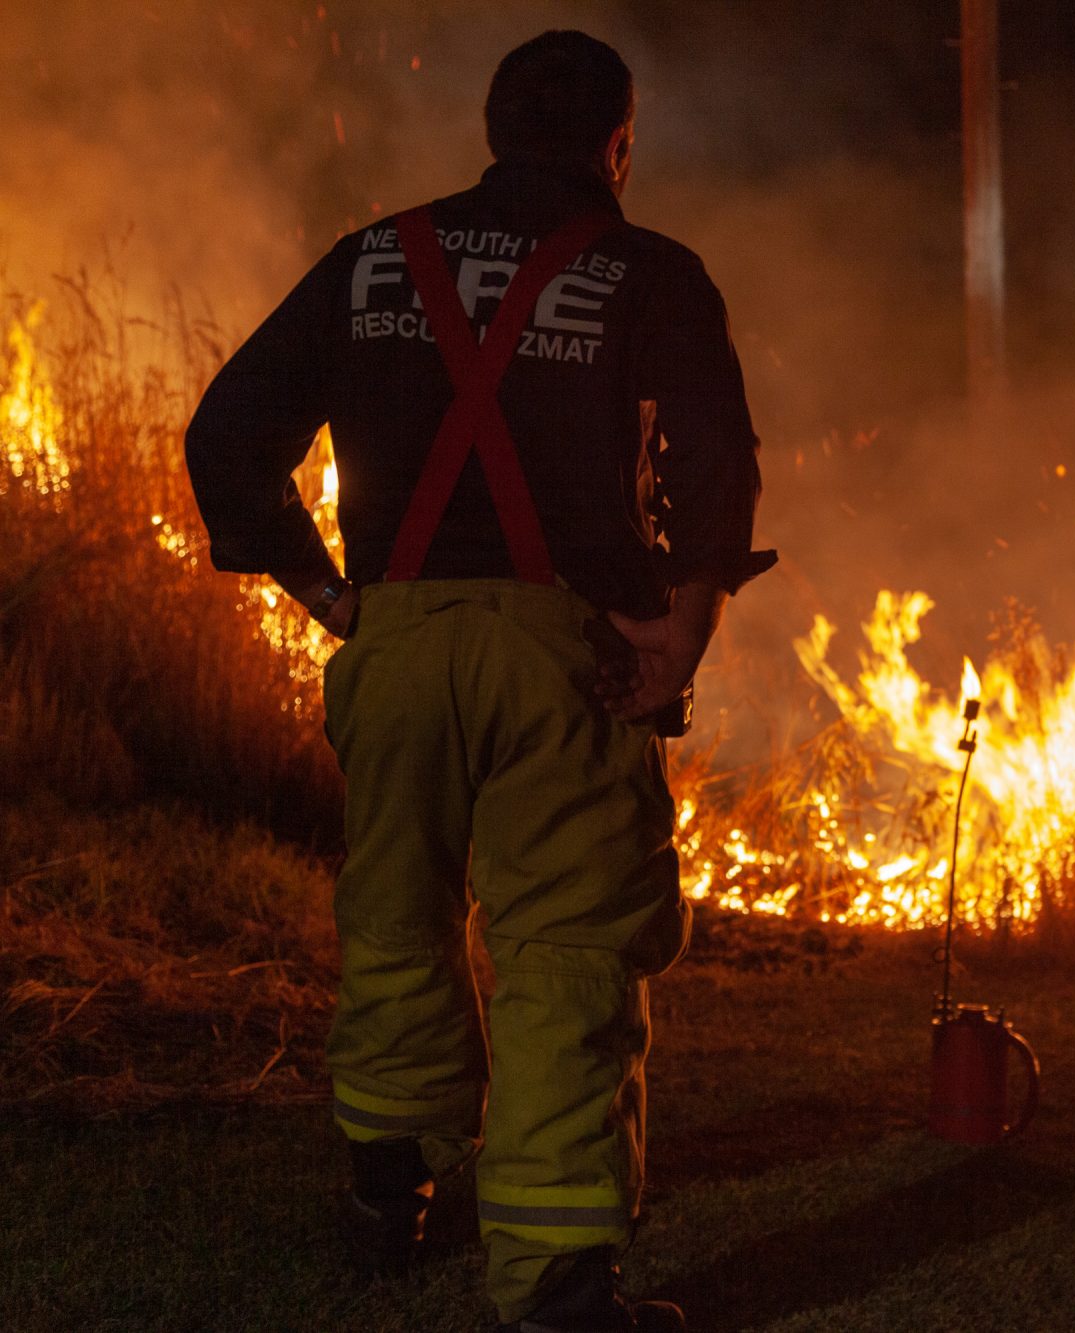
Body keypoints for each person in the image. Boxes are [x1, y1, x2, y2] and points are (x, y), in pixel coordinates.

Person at [184, 30, 773, 1332]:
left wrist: (328, 591)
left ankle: (385, 1198)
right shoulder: (647, 270)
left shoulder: (375, 257)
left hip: (394, 647)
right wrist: (677, 635)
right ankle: (561, 1291)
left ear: (495, 133)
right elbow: (714, 467)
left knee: (394, 918)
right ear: (618, 145)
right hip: (565, 656)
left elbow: (226, 437)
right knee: (565, 951)